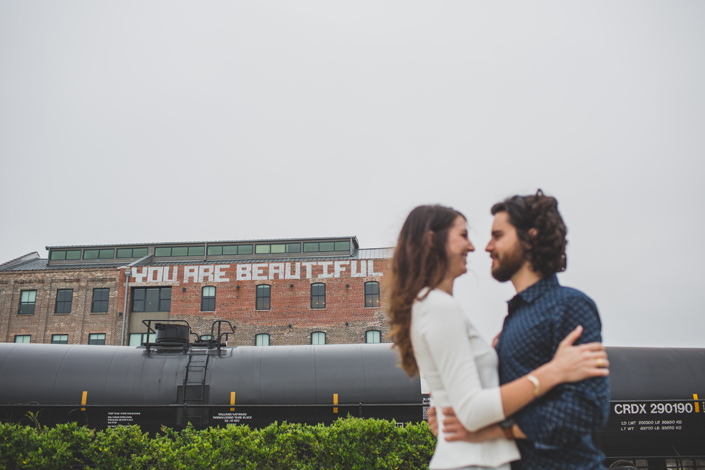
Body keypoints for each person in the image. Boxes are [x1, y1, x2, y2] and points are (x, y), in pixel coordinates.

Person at [386, 204, 609, 470]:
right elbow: (472, 405)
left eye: (498, 235)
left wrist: (495, 430)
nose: (484, 247)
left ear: (531, 239)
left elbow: (588, 410)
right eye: (465, 235)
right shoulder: (504, 321)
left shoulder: (569, 306)